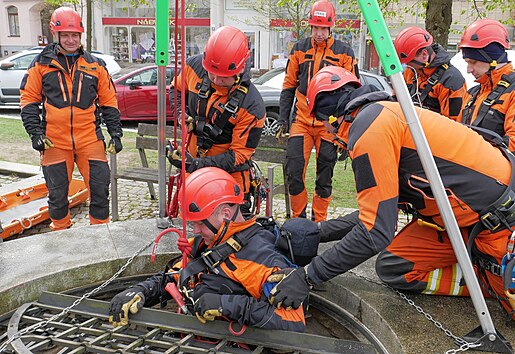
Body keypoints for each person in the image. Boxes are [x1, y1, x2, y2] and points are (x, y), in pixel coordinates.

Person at [267, 67, 515, 353]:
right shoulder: (381, 116)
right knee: (395, 267)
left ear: (330, 114)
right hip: (461, 221)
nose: (326, 133)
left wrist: (308, 276)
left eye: (323, 123)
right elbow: (378, 213)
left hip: (509, 224)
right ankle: (484, 279)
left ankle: (497, 286)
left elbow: (374, 232)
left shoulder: (370, 129)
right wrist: (321, 232)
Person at [108, 167, 305, 332]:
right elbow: (177, 275)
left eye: (200, 223)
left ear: (226, 214)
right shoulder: (211, 241)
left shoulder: (263, 259)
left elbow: (294, 322)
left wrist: (227, 305)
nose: (196, 231)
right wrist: (141, 291)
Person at [20, 6, 123, 230]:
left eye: (74, 35)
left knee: (99, 189)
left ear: (81, 35)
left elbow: (108, 101)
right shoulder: (40, 64)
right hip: (54, 141)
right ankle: (61, 235)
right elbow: (28, 99)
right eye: (65, 35)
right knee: (57, 195)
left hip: (90, 139)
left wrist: (115, 133)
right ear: (55, 34)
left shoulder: (95, 65)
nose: (70, 40)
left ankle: (100, 233)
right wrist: (35, 133)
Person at [166, 26, 265, 214]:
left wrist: (196, 165)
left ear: (240, 68)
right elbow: (176, 89)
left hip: (230, 180)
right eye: (212, 74)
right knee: (190, 227)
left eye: (223, 77)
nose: (216, 80)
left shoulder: (252, 105)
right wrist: (181, 115)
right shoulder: (195, 68)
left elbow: (238, 156)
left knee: (224, 234)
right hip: (193, 169)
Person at [276, 0, 359, 222]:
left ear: (331, 27)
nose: (319, 33)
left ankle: (319, 222)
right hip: (301, 120)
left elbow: (353, 93)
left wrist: (346, 131)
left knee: (325, 175)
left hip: (329, 125)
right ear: (310, 27)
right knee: (294, 172)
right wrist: (283, 119)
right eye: (315, 27)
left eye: (323, 28)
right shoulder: (299, 49)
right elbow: (288, 85)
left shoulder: (345, 53)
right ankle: (298, 219)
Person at [459, 19, 515, 166]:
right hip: (473, 171)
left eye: (473, 62)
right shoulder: (473, 93)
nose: (468, 70)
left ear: (492, 60)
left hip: (504, 178)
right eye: (467, 63)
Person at [394, 26, 468, 121]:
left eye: (409, 62)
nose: (407, 66)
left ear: (424, 54)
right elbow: (396, 101)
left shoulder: (451, 81)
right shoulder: (411, 72)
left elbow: (453, 124)